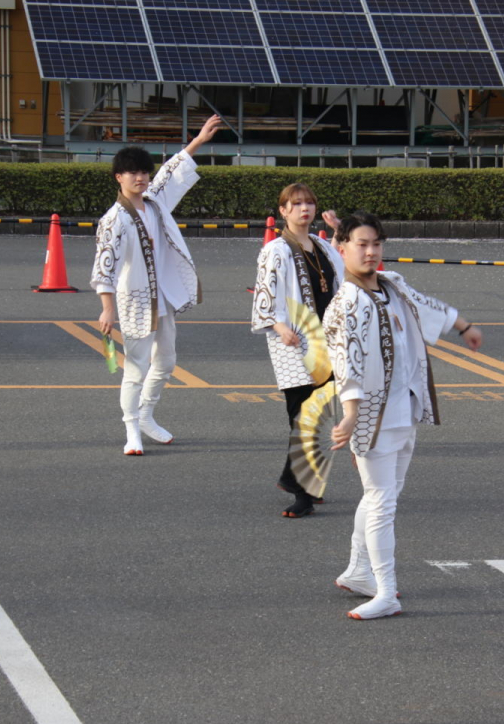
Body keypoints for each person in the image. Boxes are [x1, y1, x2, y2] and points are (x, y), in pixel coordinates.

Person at [324, 212, 482, 620]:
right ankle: (387, 591)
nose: (371, 251)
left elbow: (425, 305)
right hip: (372, 415)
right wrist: (350, 415)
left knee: (382, 496)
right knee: (381, 502)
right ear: (341, 249)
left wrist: (463, 325)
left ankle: (361, 572)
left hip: (405, 406)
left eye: (376, 243)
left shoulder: (392, 283)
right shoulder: (344, 305)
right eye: (361, 244)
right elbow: (347, 364)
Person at [92, 115, 222, 455]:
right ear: (118, 178)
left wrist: (197, 142)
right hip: (134, 300)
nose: (141, 178)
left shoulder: (155, 202)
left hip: (161, 299)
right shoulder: (114, 220)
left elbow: (171, 174)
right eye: (133, 173)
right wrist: (107, 307)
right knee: (135, 367)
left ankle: (147, 414)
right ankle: (131, 429)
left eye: (144, 172)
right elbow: (104, 265)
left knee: (165, 360)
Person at [251, 184, 344, 518]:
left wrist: (338, 232)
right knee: (302, 413)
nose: (304, 208)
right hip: (293, 339)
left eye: (309, 203)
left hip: (325, 341)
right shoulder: (275, 250)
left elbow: (342, 274)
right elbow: (264, 292)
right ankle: (302, 491)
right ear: (284, 211)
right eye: (296, 204)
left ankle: (299, 481)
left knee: (319, 413)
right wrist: (277, 326)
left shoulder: (321, 246)